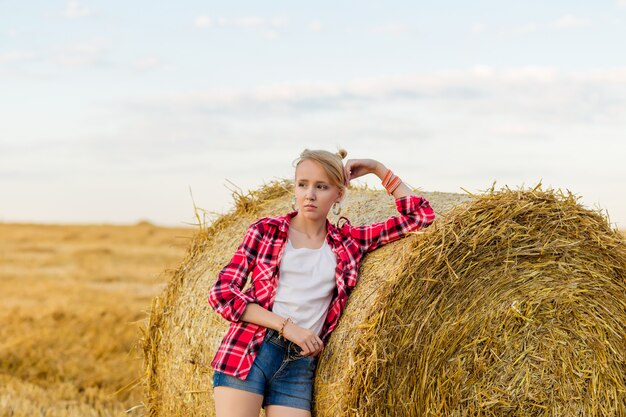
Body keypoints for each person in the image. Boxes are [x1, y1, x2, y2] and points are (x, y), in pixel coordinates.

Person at [208, 148, 436, 417]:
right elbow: (222, 294)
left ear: (338, 194)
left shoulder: (349, 242)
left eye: (321, 186)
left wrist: (377, 169)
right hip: (249, 350)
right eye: (302, 184)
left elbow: (421, 217)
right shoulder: (266, 230)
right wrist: (286, 327)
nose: (310, 195)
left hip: (299, 365)